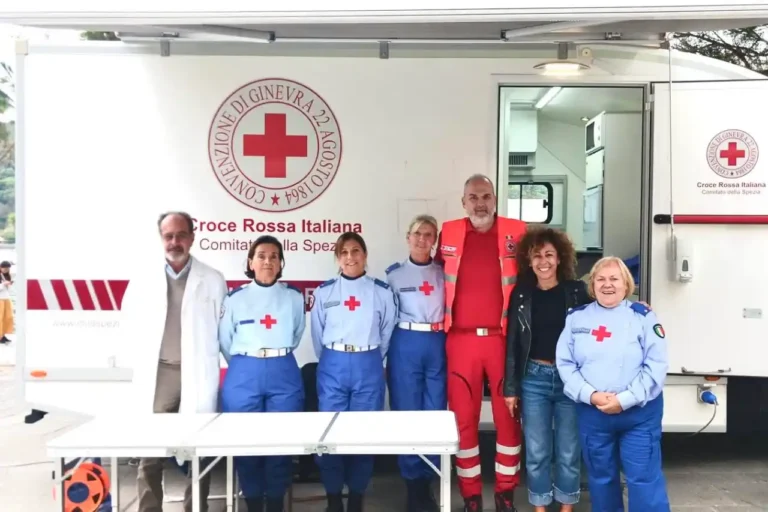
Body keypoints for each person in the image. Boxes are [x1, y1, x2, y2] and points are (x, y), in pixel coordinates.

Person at [119, 211, 228, 512]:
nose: (175, 241)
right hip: (160, 373)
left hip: (198, 373)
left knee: (198, 448)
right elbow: (129, 324)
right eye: (169, 236)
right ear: (161, 239)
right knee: (151, 449)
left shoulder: (213, 279)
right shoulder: (143, 280)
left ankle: (196, 508)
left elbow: (223, 329)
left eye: (181, 235)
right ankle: (149, 508)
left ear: (193, 237)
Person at [434, 174, 527, 512]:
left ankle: (505, 493)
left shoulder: (517, 232)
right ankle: (470, 496)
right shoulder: (449, 232)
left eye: (486, 196)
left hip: (502, 341)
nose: (480, 203)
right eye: (473, 197)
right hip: (460, 341)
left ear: (495, 199)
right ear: (463, 202)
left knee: (508, 418)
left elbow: (543, 270)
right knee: (464, 420)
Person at [556, 256, 671, 512]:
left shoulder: (643, 317)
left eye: (614, 279)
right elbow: (565, 364)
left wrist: (624, 400)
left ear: (626, 284)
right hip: (593, 414)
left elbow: (656, 366)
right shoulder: (577, 318)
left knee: (643, 479)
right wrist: (591, 395)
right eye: (600, 279)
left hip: (639, 415)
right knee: (601, 481)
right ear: (592, 284)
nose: (607, 285)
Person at [502, 227, 590, 512]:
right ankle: (540, 507)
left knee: (567, 451)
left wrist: (636, 307)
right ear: (529, 260)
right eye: (537, 255)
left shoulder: (577, 291)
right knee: (538, 452)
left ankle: (566, 507)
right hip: (533, 380)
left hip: (570, 380)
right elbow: (513, 343)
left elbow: (606, 309)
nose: (544, 261)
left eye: (549, 254)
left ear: (560, 258)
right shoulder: (521, 294)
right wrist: (511, 389)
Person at [310, 232, 397, 512]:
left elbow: (387, 331)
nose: (350, 257)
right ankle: (334, 497)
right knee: (330, 435)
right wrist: (334, 358)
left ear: (365, 255)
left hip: (368, 364)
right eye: (344, 252)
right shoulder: (324, 292)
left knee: (363, 434)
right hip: (333, 364)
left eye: (356, 250)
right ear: (337, 258)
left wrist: (371, 356)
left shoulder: (380, 292)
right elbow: (317, 334)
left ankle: (357, 496)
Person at [219, 235, 306, 512]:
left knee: (281, 442)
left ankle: (277, 503)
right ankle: (254, 502)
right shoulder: (235, 299)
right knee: (247, 443)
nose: (267, 261)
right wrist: (249, 361)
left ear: (281, 263)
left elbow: (296, 334)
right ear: (250, 262)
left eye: (273, 256)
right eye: (261, 255)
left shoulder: (292, 297)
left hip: (283, 369)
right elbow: (225, 340)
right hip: (244, 372)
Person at [385, 214, 445, 512]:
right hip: (405, 343)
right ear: (408, 237)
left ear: (435, 240)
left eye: (429, 234)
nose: (423, 239)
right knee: (407, 412)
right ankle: (412, 485)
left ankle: (429, 480)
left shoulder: (445, 272)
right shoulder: (394, 275)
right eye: (418, 233)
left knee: (434, 412)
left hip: (437, 342)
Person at [0, 261, 14, 344]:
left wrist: (8, 284)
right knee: (0, 318)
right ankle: (0, 336)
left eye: (8, 268)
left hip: (6, 298)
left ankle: (3, 334)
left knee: (8, 317)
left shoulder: (7, 275)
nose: (6, 270)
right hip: (0, 299)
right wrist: (3, 284)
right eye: (5, 268)